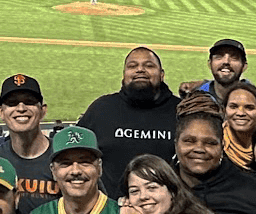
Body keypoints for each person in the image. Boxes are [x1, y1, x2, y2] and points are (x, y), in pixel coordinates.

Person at [77, 46, 181, 197]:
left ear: (162, 74)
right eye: (132, 66)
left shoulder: (179, 111)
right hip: (110, 211)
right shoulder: (102, 109)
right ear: (124, 75)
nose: (140, 70)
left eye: (149, 65)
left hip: (166, 211)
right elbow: (75, 155)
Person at [0, 73, 59, 211]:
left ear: (43, 110)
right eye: (12, 103)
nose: (21, 108)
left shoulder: (65, 158)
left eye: (29, 101)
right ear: (0, 112)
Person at [181, 38, 256, 118]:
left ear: (244, 66)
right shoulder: (196, 97)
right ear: (209, 64)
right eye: (219, 56)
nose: (226, 62)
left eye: (234, 58)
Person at [222, 80, 256, 170]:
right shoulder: (215, 142)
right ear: (224, 111)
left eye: (249, 108)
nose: (241, 113)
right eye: (233, 107)